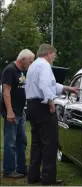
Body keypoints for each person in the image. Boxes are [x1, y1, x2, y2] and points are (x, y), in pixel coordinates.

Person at [25, 44, 79, 185]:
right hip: (42, 106)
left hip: (31, 105)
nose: (54, 57)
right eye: (54, 54)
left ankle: (33, 176)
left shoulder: (33, 66)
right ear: (49, 53)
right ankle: (49, 179)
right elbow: (44, 85)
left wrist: (67, 88)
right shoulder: (45, 66)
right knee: (50, 143)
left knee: (36, 142)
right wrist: (50, 103)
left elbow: (50, 85)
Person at [1, 49, 35, 178]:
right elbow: (6, 92)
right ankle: (8, 170)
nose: (31, 64)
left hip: (20, 112)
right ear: (23, 59)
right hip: (12, 113)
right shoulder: (10, 70)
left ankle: (21, 168)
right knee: (10, 142)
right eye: (30, 61)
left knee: (22, 141)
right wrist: (9, 112)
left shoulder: (21, 71)